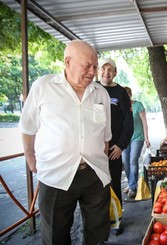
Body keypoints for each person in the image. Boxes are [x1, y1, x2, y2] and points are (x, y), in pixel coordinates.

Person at [19, 40, 112, 245]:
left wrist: (101, 164)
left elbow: (105, 137)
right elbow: (27, 127)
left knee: (97, 232)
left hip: (94, 173)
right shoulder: (43, 86)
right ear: (68, 62)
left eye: (95, 66)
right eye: (87, 66)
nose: (92, 72)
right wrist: (30, 158)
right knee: (55, 235)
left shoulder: (101, 93)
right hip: (55, 175)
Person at [97, 58, 134, 209]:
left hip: (113, 150)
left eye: (110, 69)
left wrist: (120, 145)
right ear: (98, 71)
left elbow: (128, 123)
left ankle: (116, 218)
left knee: (114, 183)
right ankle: (100, 220)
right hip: (94, 149)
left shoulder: (121, 93)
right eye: (103, 69)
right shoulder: (92, 89)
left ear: (115, 73)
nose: (106, 72)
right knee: (96, 186)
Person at [122, 86, 150, 199]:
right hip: (124, 138)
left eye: (127, 95)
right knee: (125, 162)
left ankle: (133, 187)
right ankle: (130, 184)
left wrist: (147, 137)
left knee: (133, 160)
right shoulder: (121, 107)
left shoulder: (138, 105)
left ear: (130, 95)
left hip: (137, 138)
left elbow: (144, 122)